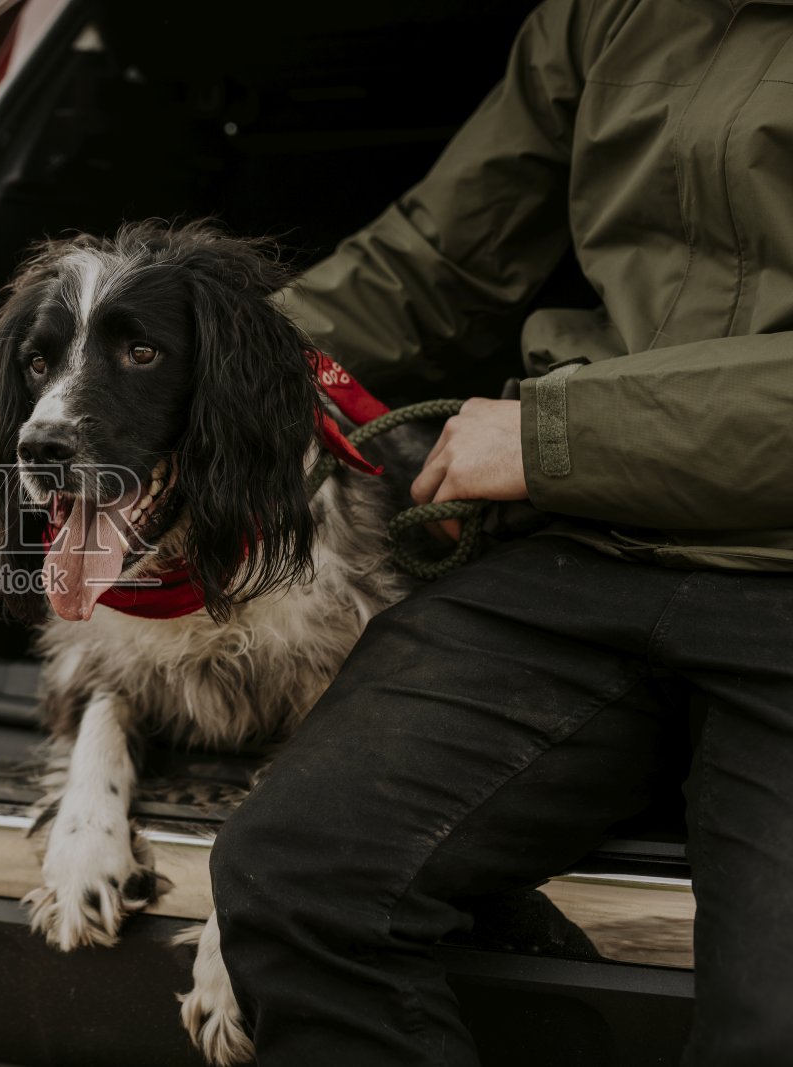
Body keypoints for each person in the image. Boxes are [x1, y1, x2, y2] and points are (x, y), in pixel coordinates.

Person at [212, 0, 793, 1063]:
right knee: (295, 874)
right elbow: (444, 251)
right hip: (598, 547)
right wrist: (218, 374)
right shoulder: (606, 14)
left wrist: (563, 434)